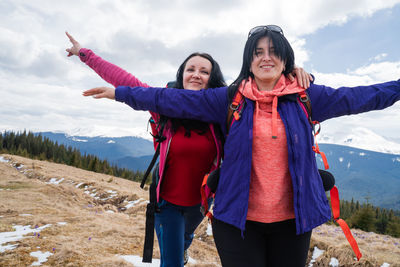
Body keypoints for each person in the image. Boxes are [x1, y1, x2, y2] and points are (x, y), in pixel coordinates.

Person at [82, 25, 400, 266]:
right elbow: (166, 98)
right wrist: (119, 93)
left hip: (293, 223)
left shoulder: (307, 96)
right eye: (258, 52)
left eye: (274, 51)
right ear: (249, 61)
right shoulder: (228, 98)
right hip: (236, 222)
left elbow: (363, 96)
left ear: (286, 59)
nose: (266, 57)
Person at [66, 31, 312, 266]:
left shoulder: (224, 109)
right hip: (167, 203)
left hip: (201, 204)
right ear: (181, 74)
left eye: (204, 71)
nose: (196, 75)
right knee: (171, 261)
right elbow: (125, 80)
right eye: (190, 69)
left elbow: (265, 97)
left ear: (212, 78)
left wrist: (291, 74)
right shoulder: (163, 105)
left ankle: (184, 244)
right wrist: (84, 54)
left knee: (184, 239)